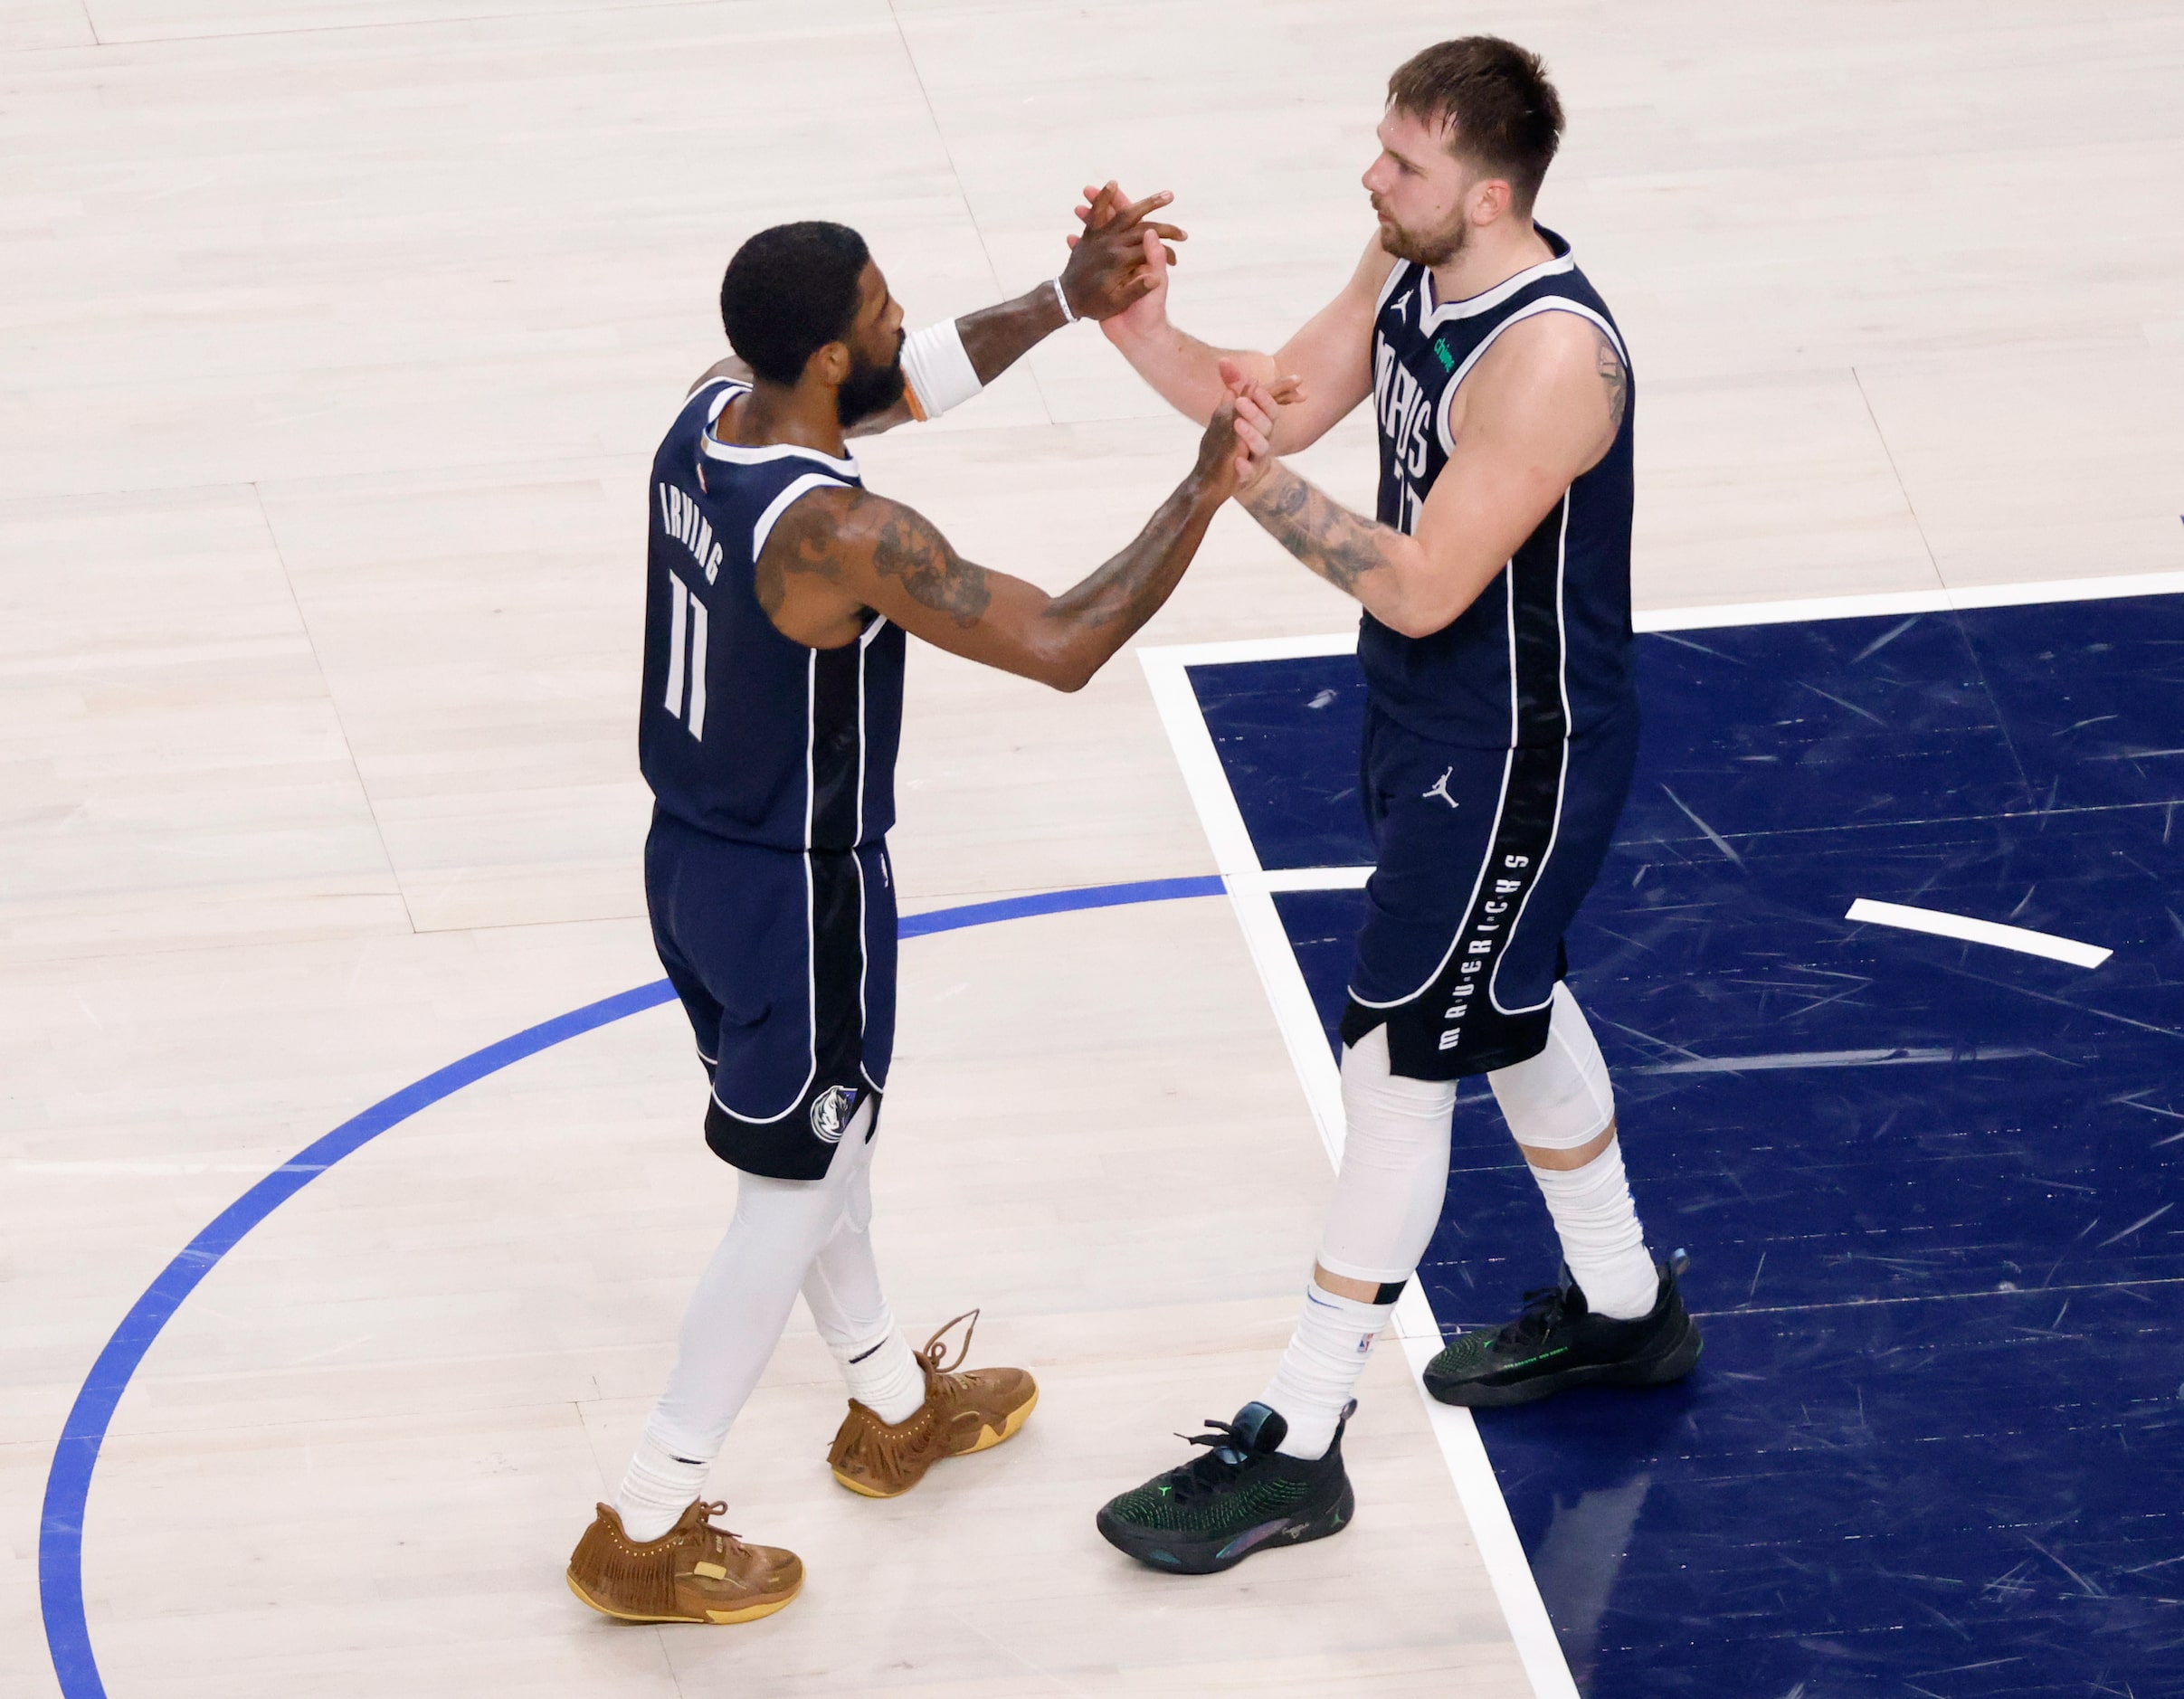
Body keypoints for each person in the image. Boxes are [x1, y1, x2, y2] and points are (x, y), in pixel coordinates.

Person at [566, 197, 1275, 1623]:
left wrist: (1062, 300)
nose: (902, 328)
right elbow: (1066, 642)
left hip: (687, 865)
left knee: (826, 1142)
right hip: (797, 889)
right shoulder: (843, 532)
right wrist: (1204, 486)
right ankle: (644, 1515)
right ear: (826, 355)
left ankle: (891, 1402)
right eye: (884, 312)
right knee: (795, 1188)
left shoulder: (708, 413)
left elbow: (901, 387)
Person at [1084, 37, 1701, 1576]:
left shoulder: (1553, 357)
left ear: (1488, 193)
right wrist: (1134, 324)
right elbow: (1274, 407)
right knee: (1507, 1000)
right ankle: (1625, 1309)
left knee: (1396, 1052)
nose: (1371, 177)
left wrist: (1248, 491)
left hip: (1513, 748)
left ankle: (1298, 1438)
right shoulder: (1409, 257)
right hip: (1424, 718)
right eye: (1380, 150)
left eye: (1402, 161)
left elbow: (1424, 585)